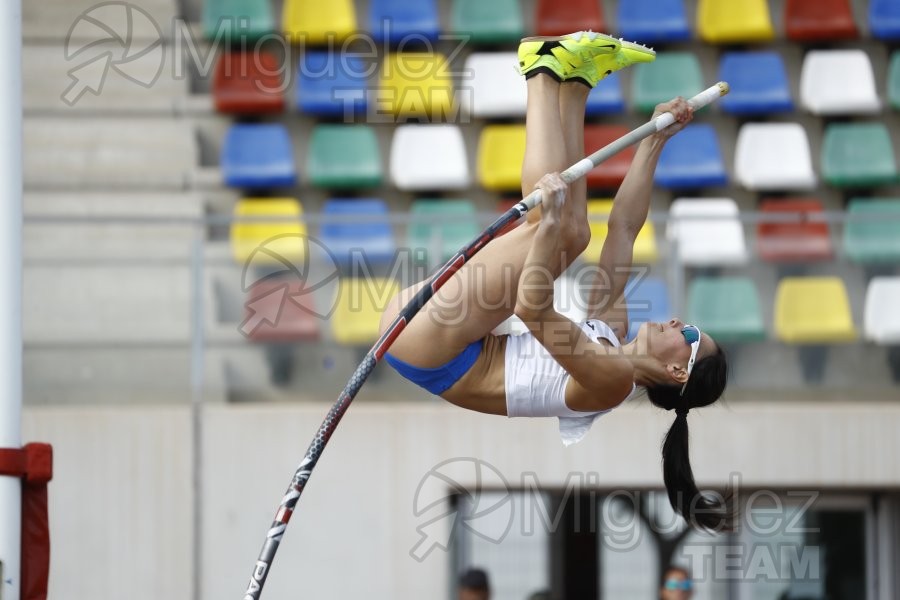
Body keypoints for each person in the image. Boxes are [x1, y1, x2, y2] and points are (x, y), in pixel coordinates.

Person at [379, 32, 730, 530]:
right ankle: (576, 84)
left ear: (678, 373)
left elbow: (534, 309)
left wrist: (544, 225)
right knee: (578, 233)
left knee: (560, 231)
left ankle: (542, 73)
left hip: (429, 346)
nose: (679, 322)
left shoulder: (611, 382)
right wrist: (654, 139)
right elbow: (625, 228)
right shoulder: (612, 331)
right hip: (456, 336)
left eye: (690, 336)